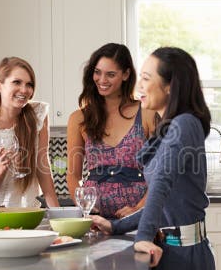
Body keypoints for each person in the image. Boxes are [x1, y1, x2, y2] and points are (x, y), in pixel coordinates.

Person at [90, 47, 221, 270]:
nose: (138, 87)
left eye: (146, 79)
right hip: (184, 253)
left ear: (171, 85)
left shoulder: (183, 125)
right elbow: (161, 204)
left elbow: (160, 183)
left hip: (182, 258)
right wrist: (117, 225)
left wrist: (144, 237)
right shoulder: (177, 124)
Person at [66, 43, 156, 219]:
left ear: (126, 74)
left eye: (111, 74)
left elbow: (160, 174)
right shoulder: (79, 119)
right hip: (96, 219)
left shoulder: (147, 114)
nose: (102, 80)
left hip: (138, 218)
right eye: (97, 72)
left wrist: (138, 208)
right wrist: (84, 207)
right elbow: (73, 175)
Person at [0, 57, 60, 208]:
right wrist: (1, 169)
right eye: (17, 82)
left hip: (26, 212)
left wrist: (59, 217)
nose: (24, 90)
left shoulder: (38, 116)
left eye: (29, 84)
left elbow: (43, 172)